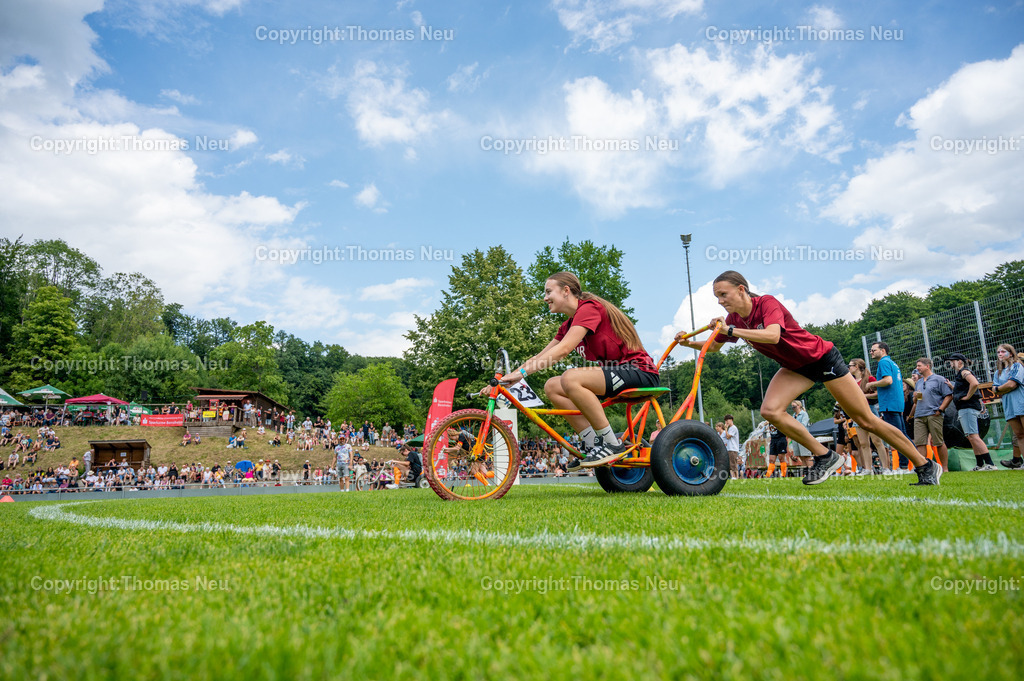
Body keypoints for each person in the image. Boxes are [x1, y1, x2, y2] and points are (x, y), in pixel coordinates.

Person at [676, 270, 941, 486]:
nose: (720, 301)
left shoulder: (766, 303)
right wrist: (686, 343)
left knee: (865, 420)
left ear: (742, 289)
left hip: (821, 359)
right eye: (717, 297)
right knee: (770, 410)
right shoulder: (734, 319)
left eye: (723, 294)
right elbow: (714, 346)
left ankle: (925, 465)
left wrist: (731, 329)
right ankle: (825, 456)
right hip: (796, 367)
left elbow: (773, 335)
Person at [496, 271, 659, 469]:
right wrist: (508, 379)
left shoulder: (589, 309)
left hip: (639, 372)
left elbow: (563, 350)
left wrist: (520, 375)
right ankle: (592, 444)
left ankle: (610, 443)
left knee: (570, 378)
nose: (545, 297)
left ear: (566, 291)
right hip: (617, 374)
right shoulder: (567, 325)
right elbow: (539, 357)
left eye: (548, 291)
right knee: (552, 386)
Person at [947, 352, 997, 471]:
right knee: (970, 436)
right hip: (965, 408)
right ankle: (979, 464)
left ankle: (990, 463)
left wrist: (968, 397)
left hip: (968, 407)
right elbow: (962, 389)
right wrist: (952, 387)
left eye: (952, 361)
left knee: (974, 436)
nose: (950, 363)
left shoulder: (964, 371)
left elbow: (974, 383)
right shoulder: (960, 374)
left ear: (959, 362)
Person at [908, 358, 953, 472]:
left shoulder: (939, 379)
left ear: (927, 366)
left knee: (938, 442)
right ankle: (921, 469)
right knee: (920, 443)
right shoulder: (918, 382)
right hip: (919, 415)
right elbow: (916, 401)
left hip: (933, 414)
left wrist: (940, 410)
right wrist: (914, 397)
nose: (917, 368)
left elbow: (949, 395)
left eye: (919, 366)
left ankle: (945, 468)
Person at [866, 341, 906, 471]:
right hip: (896, 403)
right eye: (870, 350)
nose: (871, 352)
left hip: (890, 404)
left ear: (883, 350)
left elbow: (888, 380)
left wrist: (872, 384)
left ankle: (906, 466)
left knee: (896, 437)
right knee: (901, 436)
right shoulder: (891, 362)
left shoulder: (883, 362)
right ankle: (908, 465)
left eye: (873, 350)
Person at [992, 344, 1024, 470]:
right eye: (998, 352)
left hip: (1021, 403)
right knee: (1020, 435)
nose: (1000, 354)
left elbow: (1011, 384)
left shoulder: (1017, 366)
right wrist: (1000, 389)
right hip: (1009, 406)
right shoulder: (997, 373)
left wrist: (999, 389)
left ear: (1011, 353)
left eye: (1003, 351)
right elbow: (994, 390)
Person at [790, 401, 813, 467]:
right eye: (792, 406)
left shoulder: (804, 414)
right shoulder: (793, 416)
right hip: (796, 438)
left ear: (799, 406)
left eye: (794, 406)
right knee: (801, 456)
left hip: (803, 437)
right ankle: (805, 472)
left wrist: (794, 427)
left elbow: (803, 425)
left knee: (807, 456)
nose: (793, 408)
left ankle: (811, 471)